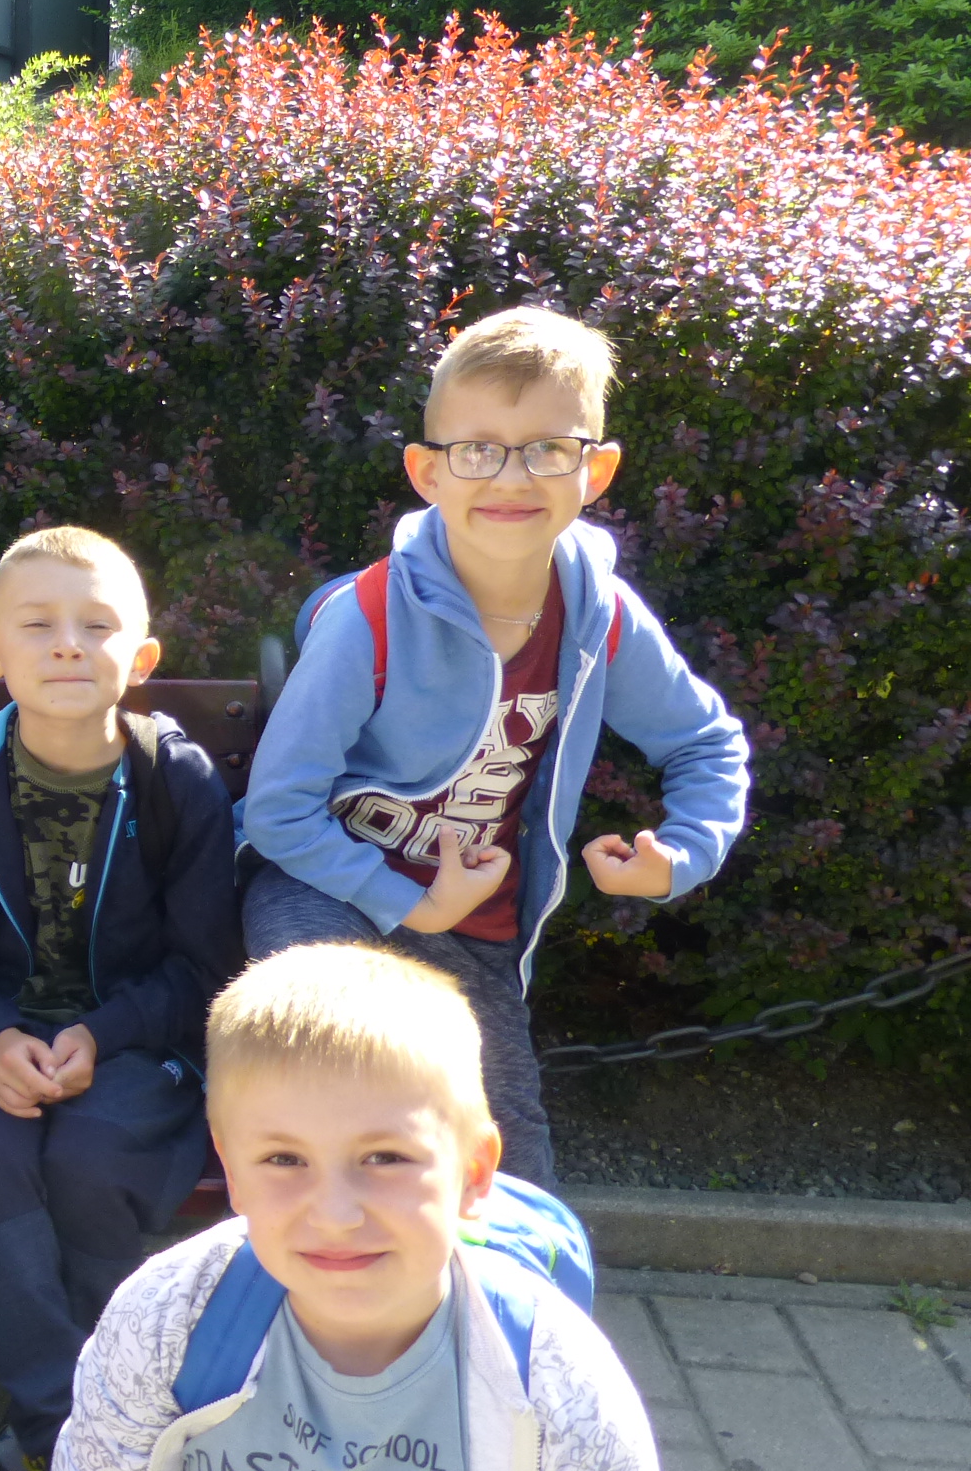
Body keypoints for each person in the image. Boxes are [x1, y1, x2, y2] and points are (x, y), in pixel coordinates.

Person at [37, 942, 664, 1471]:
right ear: (232, 1172)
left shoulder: (559, 1389)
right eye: (283, 1159)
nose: (334, 1214)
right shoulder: (167, 1321)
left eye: (385, 1158)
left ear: (473, 1172)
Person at [240, 306, 750, 1183]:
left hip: (474, 924)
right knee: (332, 1075)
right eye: (477, 449)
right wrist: (411, 903)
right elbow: (279, 812)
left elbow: (706, 743)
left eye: (548, 449)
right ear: (427, 472)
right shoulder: (369, 618)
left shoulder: (599, 616)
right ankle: (324, 1261)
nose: (512, 477)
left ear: (595, 470)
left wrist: (681, 854)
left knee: (507, 1170)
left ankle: (488, 1280)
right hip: (327, 889)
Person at [0, 526, 240, 1471]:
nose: (66, 645)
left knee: (89, 1159)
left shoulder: (175, 781)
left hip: (134, 1041)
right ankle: (77, 1427)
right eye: (37, 625)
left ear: (141, 657)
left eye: (96, 626)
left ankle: (59, 1431)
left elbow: (202, 967)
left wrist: (104, 1030)